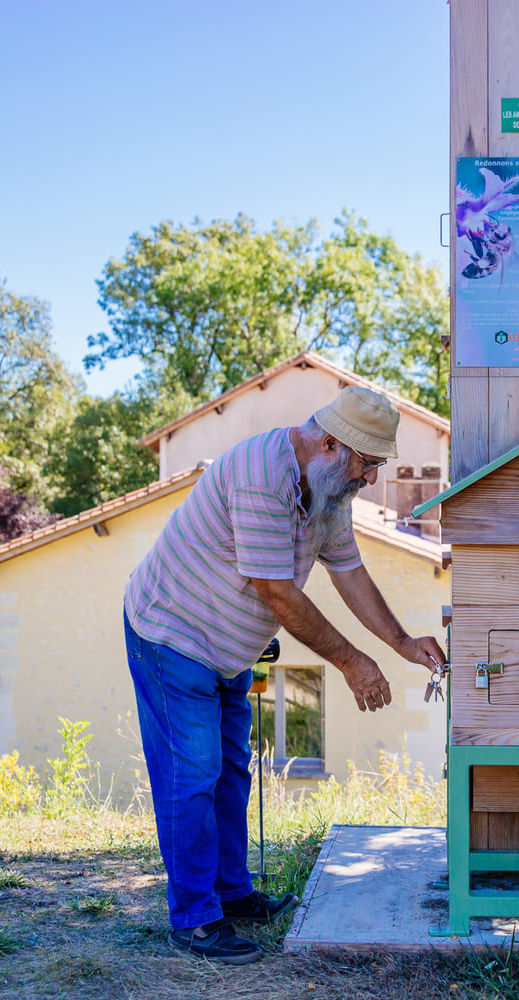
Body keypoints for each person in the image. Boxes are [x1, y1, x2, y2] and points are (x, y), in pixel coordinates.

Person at [123, 385, 447, 965]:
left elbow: (349, 572)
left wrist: (401, 643)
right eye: (368, 463)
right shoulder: (259, 476)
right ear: (330, 443)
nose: (371, 478)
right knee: (191, 778)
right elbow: (278, 593)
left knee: (230, 775)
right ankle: (194, 920)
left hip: (227, 651)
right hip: (171, 635)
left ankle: (232, 893)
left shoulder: (329, 488)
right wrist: (352, 663)